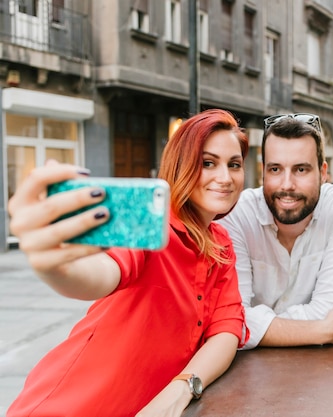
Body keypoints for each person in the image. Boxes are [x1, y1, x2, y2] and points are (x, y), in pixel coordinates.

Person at [7, 109, 250, 417]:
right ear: (181, 165)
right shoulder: (151, 225)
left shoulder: (221, 243)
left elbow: (226, 331)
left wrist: (181, 389)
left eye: (235, 165)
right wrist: (57, 265)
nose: (225, 178)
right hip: (71, 405)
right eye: (208, 163)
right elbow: (104, 271)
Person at [217, 113, 333, 349]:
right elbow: (230, 320)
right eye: (275, 169)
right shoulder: (237, 213)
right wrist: (321, 330)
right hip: (247, 373)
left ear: (323, 173)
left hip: (325, 370)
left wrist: (255, 326)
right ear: (262, 171)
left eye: (301, 170)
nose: (287, 184)